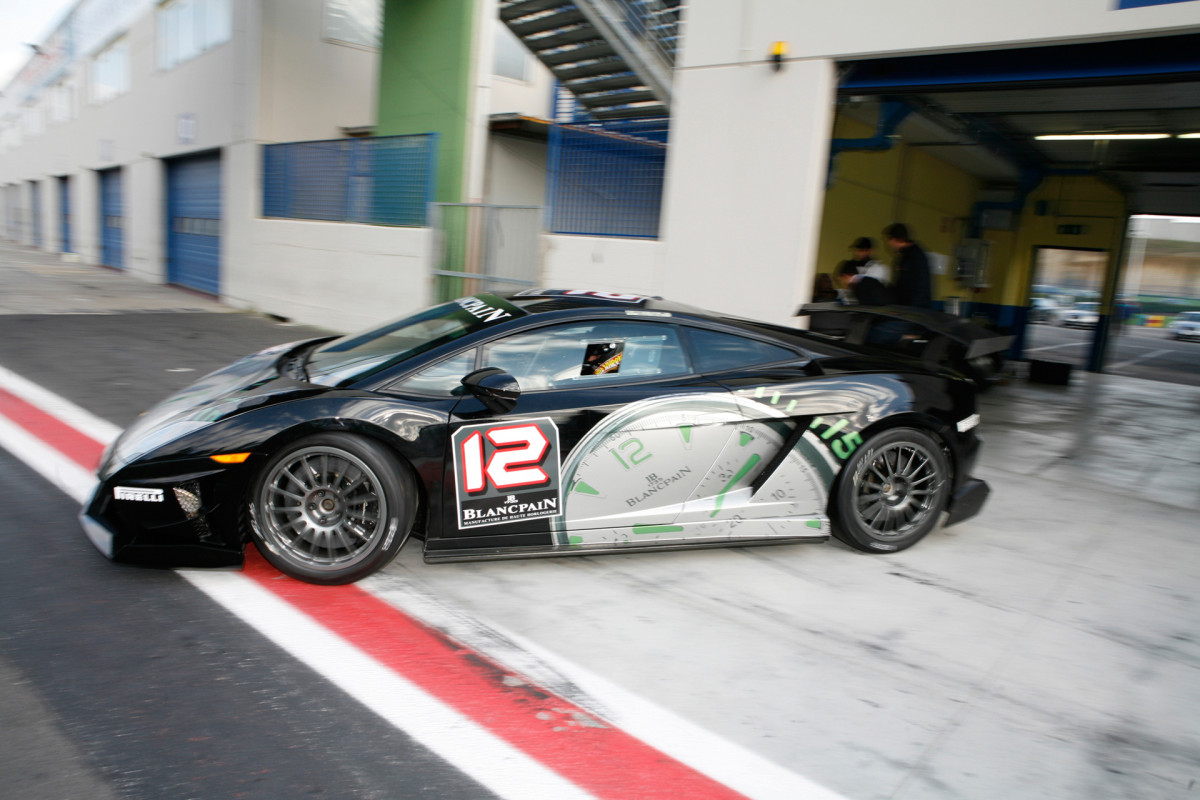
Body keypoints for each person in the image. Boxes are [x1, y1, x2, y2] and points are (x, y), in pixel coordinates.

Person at [882, 222, 932, 308]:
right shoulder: (903, 257)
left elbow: (920, 287)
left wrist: (912, 311)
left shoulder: (915, 256)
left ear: (894, 239)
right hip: (907, 309)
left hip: (914, 310)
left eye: (888, 240)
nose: (888, 244)